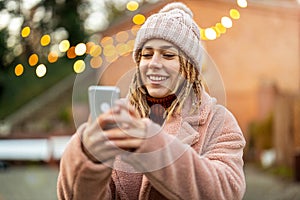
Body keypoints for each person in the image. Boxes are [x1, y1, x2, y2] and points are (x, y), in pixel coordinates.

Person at [57, 2, 246, 200]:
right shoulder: (119, 118)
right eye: (147, 55)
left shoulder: (218, 121)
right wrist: (87, 155)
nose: (154, 63)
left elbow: (226, 191)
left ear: (189, 68)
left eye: (168, 55)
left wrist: (151, 143)